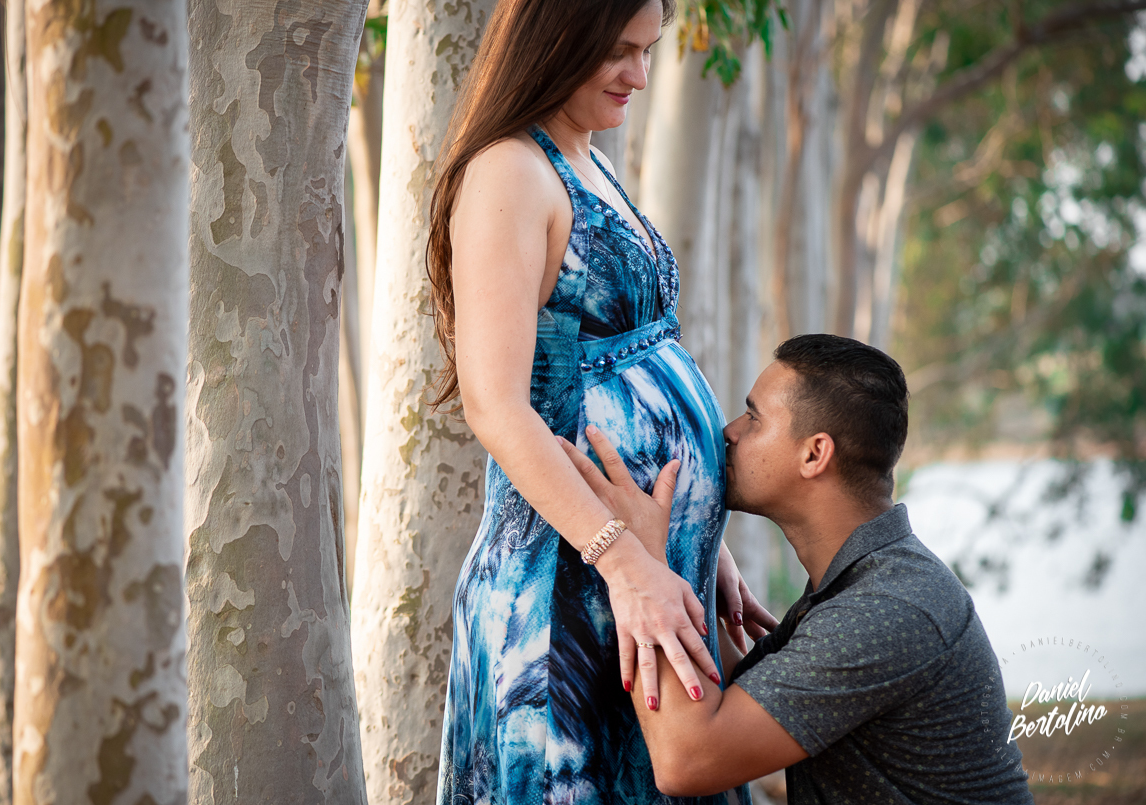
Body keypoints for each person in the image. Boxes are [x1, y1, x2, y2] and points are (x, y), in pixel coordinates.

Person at [426, 0, 775, 802]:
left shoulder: (586, 154)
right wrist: (625, 560)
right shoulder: (510, 170)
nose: (640, 77)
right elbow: (495, 405)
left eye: (648, 51)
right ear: (556, 38)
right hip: (566, 592)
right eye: (618, 52)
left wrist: (704, 540)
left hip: (640, 573)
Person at [562, 334, 1035, 804]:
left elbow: (688, 760)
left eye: (754, 418)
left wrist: (643, 563)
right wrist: (690, 563)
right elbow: (730, 696)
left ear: (814, 454)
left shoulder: (886, 610)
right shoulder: (868, 580)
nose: (730, 430)